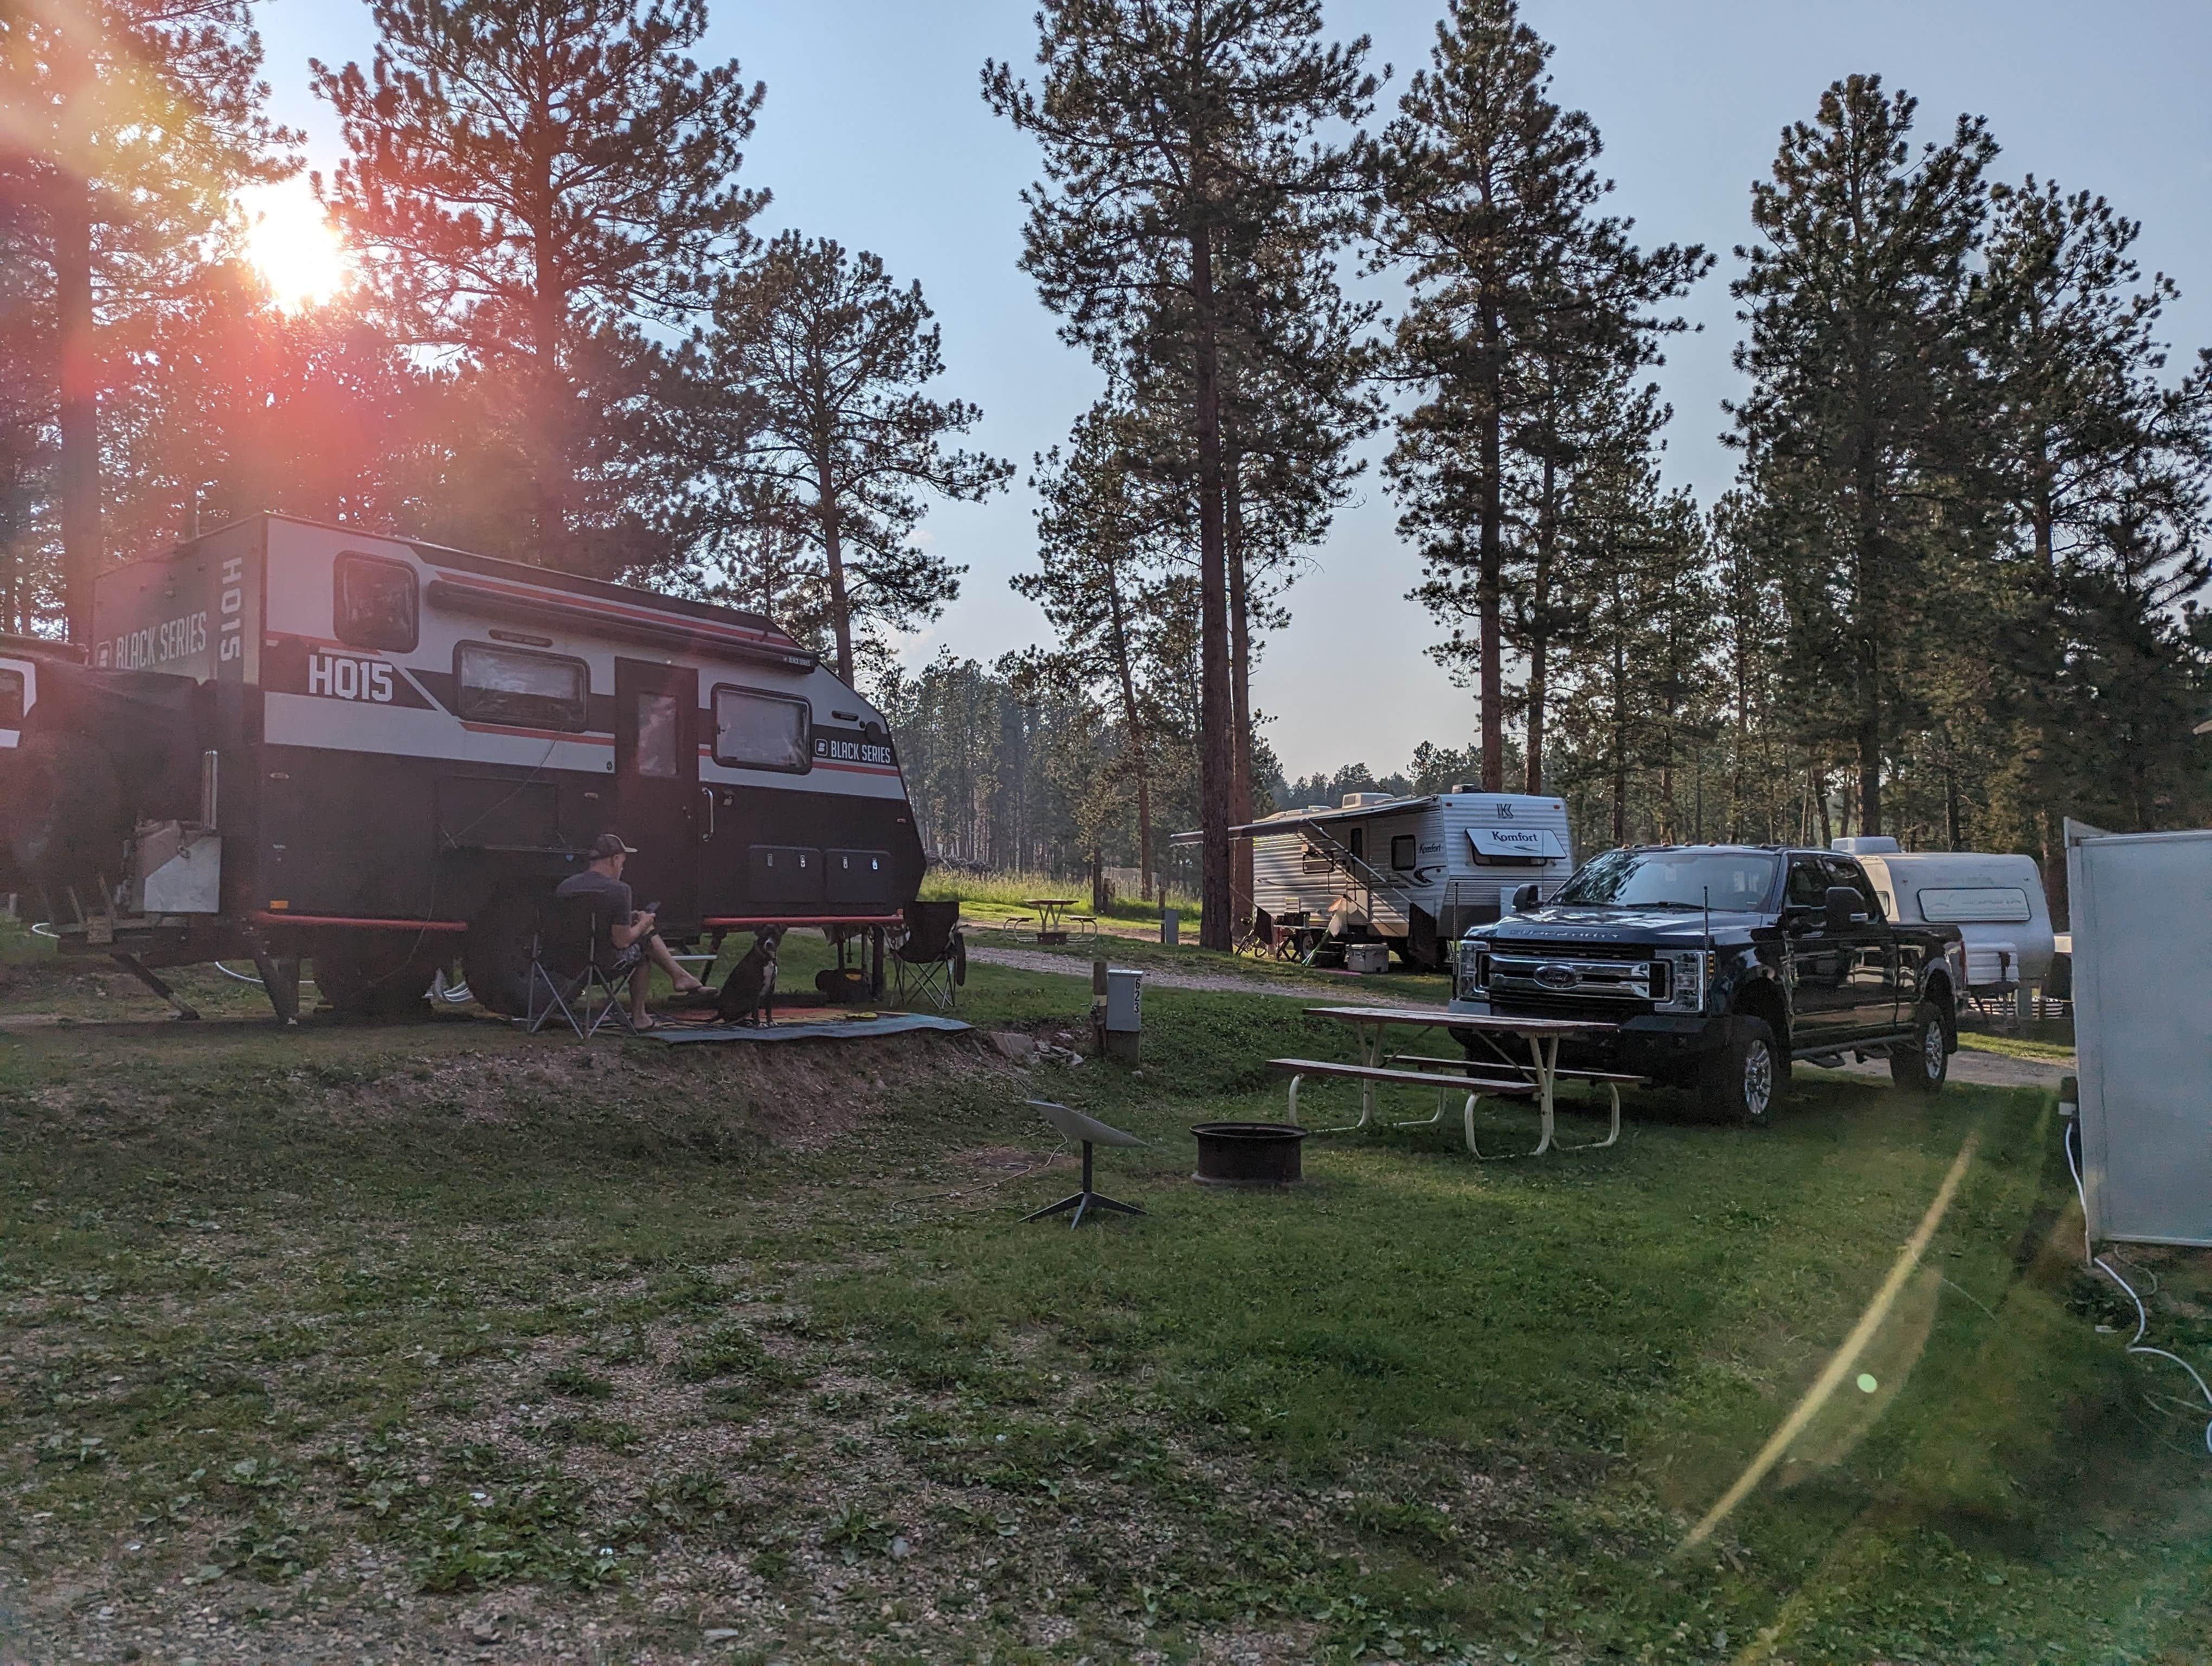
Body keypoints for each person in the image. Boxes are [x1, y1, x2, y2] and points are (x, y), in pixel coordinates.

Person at [554, 832, 709, 1029]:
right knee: (642, 950)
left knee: (642, 930)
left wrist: (629, 919)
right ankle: (641, 1017)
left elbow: (589, 923)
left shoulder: (566, 887)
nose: (622, 868)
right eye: (622, 863)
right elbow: (622, 942)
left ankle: (681, 977)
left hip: (561, 964)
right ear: (615, 859)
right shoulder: (618, 890)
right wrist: (643, 923)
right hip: (601, 965)